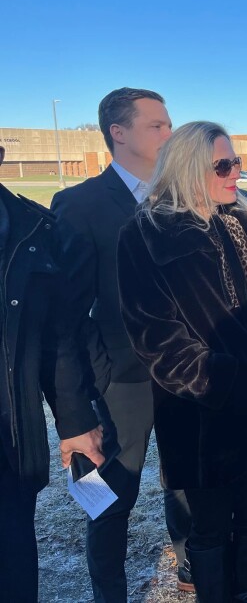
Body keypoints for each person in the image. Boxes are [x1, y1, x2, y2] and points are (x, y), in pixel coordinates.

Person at [117, 122, 247, 600]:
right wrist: (224, 381)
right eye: (223, 165)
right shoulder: (145, 233)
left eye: (236, 162)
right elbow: (156, 337)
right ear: (188, 168)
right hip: (199, 421)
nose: (236, 172)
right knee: (210, 530)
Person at [51, 87, 195, 599]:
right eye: (157, 125)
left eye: (169, 124)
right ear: (118, 132)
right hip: (120, 381)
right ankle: (108, 591)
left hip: (183, 373)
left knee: (186, 480)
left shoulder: (183, 197)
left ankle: (191, 566)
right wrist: (96, 379)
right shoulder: (79, 205)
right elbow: (68, 313)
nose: (169, 133)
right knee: (107, 496)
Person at [0, 145, 104, 603]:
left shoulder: (31, 227)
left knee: (14, 574)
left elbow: (54, 337)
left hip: (10, 446)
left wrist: (75, 421)